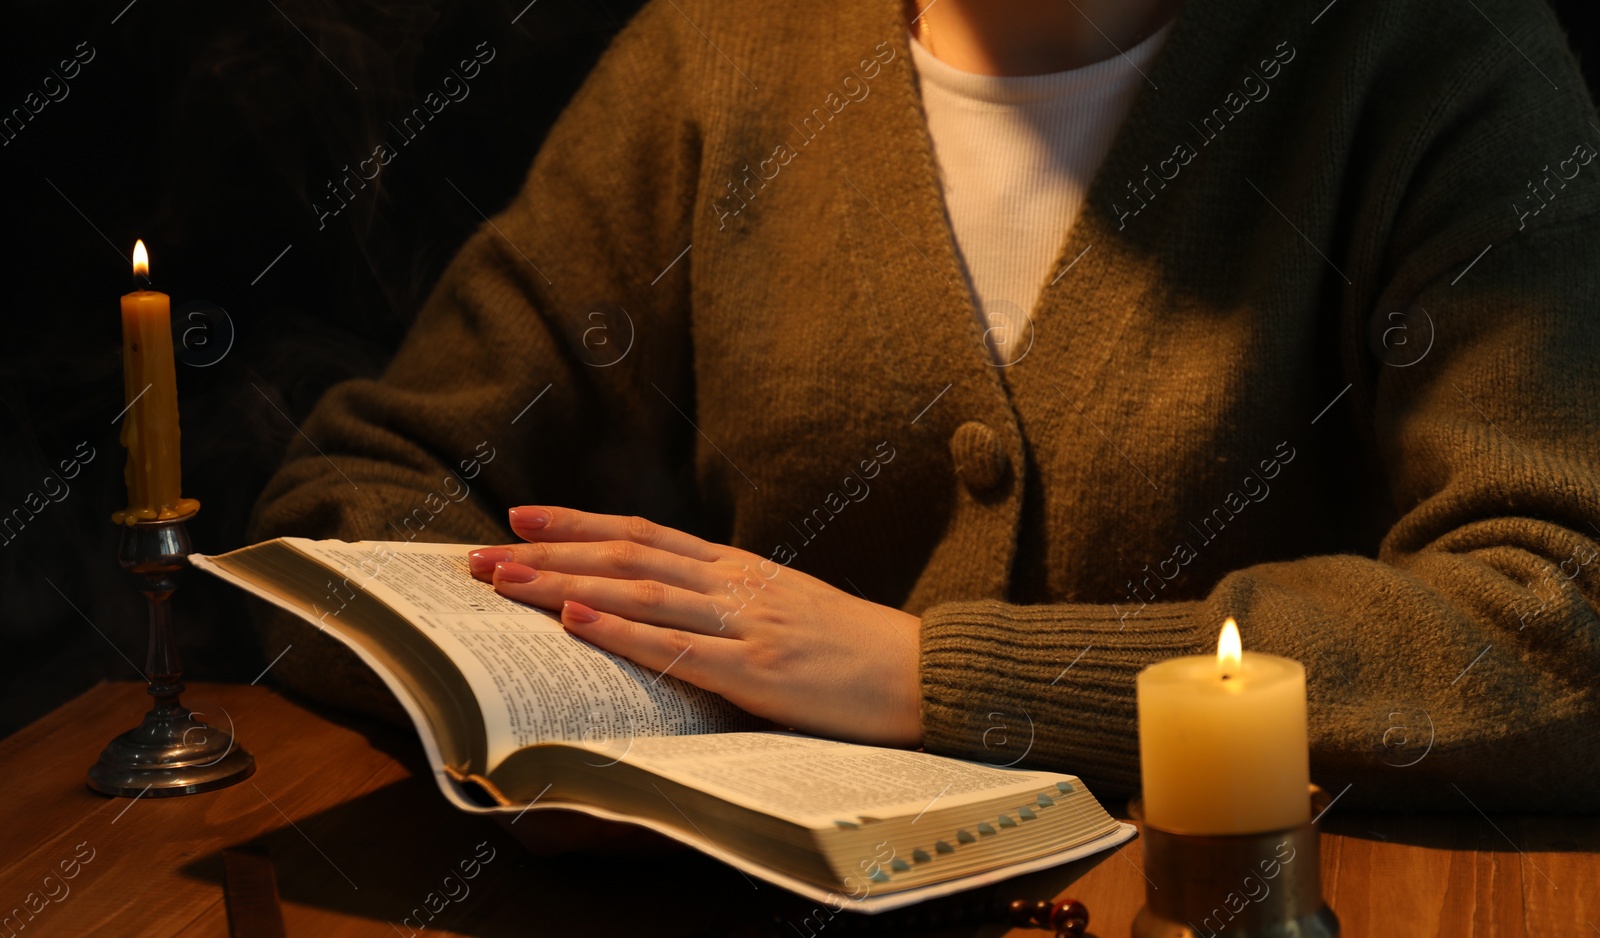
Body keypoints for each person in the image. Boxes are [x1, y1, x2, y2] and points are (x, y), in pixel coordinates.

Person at [252, 0, 1600, 814]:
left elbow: (1560, 618)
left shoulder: (1436, 55)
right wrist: (584, 695)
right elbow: (350, 499)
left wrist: (923, 678)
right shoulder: (718, 56)